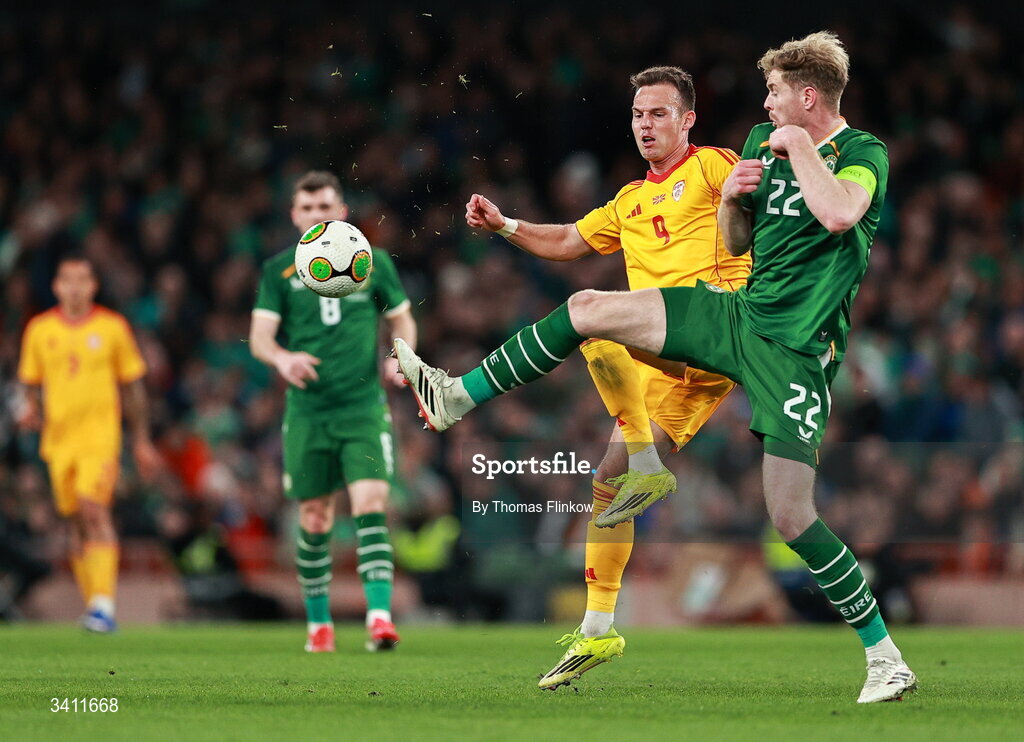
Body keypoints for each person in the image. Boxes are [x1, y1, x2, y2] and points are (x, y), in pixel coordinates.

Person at [396, 31, 917, 703]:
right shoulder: (748, 148)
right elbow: (736, 238)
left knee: (790, 516)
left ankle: (884, 655)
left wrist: (792, 150)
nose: (765, 105)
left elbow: (841, 214)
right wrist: (734, 199)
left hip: (795, 351)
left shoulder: (859, 152)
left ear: (807, 95)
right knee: (588, 320)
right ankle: (464, 404)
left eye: (775, 93)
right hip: (733, 320)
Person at [462, 66, 750, 689]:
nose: (647, 126)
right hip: (669, 361)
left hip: (711, 327)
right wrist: (507, 226)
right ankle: (598, 630)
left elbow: (759, 208)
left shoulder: (714, 166)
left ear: (687, 119)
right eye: (639, 115)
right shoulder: (628, 200)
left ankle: (460, 395)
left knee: (593, 322)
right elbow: (569, 239)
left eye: (660, 114)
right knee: (610, 480)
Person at [250, 171, 416, 652]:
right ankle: (318, 624)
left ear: (342, 212)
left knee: (370, 505)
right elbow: (260, 336)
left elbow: (402, 315)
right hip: (307, 411)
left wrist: (398, 355)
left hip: (363, 408)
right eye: (307, 208)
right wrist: (282, 357)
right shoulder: (279, 270)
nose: (317, 215)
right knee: (316, 518)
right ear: (294, 216)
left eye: (325, 206)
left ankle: (379, 618)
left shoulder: (373, 262)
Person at [16, 255, 162, 632]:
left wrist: (142, 441)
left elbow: (132, 387)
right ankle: (94, 605)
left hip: (100, 438)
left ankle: (103, 605)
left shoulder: (112, 328)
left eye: (83, 280)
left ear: (94, 286)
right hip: (58, 442)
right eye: (68, 280)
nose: (75, 287)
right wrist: (29, 409)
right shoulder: (39, 329)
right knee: (77, 521)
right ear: (57, 287)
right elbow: (29, 383)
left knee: (93, 508)